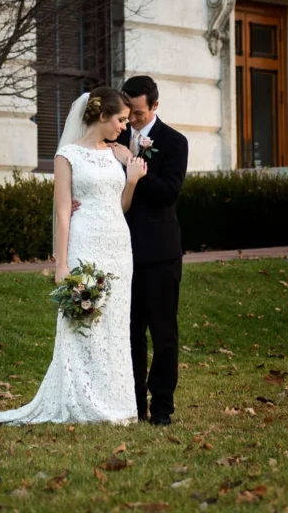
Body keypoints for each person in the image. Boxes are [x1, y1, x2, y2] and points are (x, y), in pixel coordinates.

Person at [0, 86, 147, 427]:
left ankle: (115, 404)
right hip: (85, 243)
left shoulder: (118, 155)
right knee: (83, 322)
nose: (123, 126)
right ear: (101, 116)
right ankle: (80, 401)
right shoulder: (67, 156)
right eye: (119, 119)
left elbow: (121, 206)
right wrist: (60, 264)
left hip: (119, 246)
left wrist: (131, 181)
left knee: (115, 325)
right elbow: (61, 213)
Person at [110, 75, 189, 426]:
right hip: (122, 250)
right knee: (129, 332)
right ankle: (134, 404)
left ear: (154, 106)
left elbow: (170, 192)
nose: (133, 119)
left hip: (161, 252)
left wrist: (135, 171)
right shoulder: (113, 135)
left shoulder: (174, 142)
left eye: (139, 113)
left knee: (163, 333)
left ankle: (162, 408)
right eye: (128, 111)